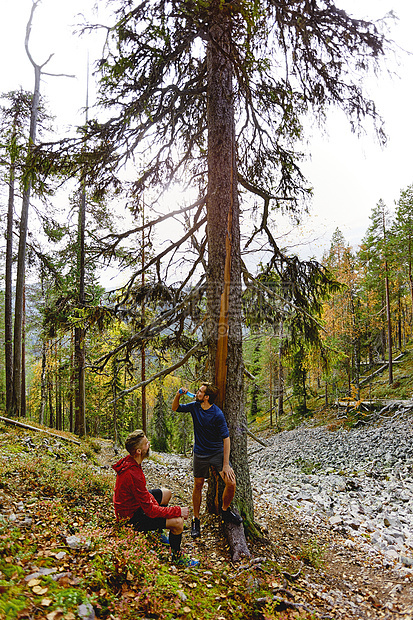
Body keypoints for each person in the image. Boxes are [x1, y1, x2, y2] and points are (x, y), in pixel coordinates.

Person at [112, 429, 199, 568]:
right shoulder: (133, 473)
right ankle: (177, 557)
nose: (149, 444)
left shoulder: (131, 462)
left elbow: (143, 495)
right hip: (130, 518)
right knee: (178, 522)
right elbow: (151, 510)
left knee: (166, 493)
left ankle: (157, 532)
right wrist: (177, 511)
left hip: (135, 506)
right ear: (139, 451)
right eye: (146, 443)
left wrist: (155, 503)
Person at [172, 383, 242, 538]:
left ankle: (225, 511)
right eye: (198, 391)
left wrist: (225, 464)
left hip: (217, 452)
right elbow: (175, 408)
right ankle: (196, 520)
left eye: (200, 391)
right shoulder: (195, 406)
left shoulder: (217, 414)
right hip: (200, 453)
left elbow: (226, 439)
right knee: (198, 485)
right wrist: (178, 395)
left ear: (207, 397)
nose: (197, 393)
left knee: (231, 482)